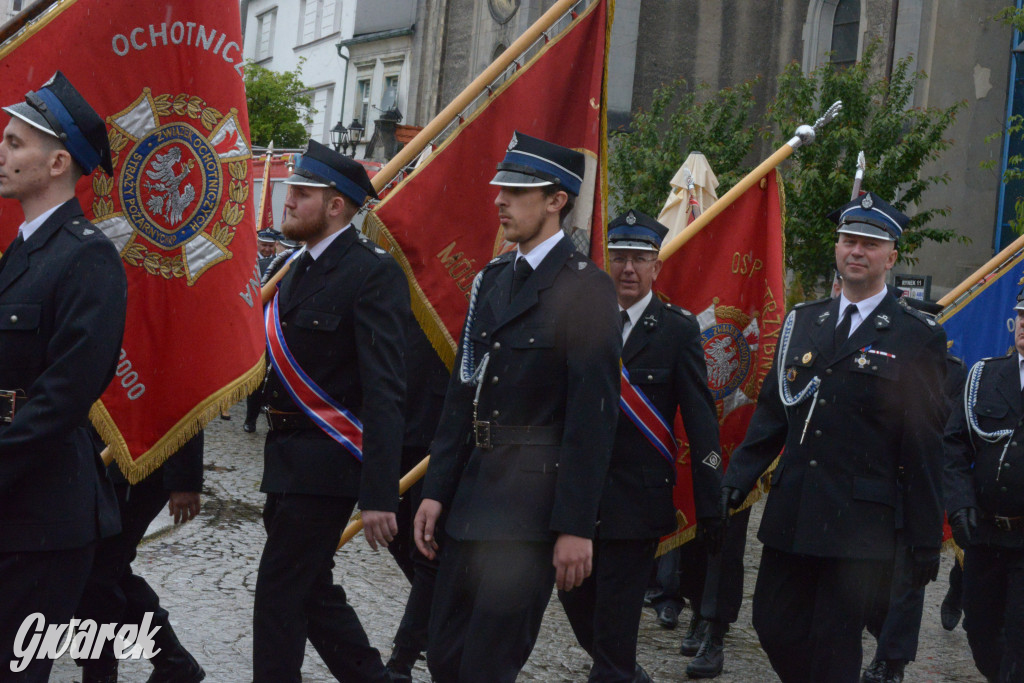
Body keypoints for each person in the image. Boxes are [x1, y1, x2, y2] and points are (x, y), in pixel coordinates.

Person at [414, 131, 621, 683]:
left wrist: (576, 527)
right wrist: (436, 490)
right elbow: (463, 396)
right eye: (500, 188)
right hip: (471, 495)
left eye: (518, 190)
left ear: (557, 201)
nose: (501, 200)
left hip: (531, 506)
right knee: (444, 656)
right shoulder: (493, 279)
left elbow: (592, 421)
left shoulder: (587, 290)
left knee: (487, 664)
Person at [720, 192, 947, 683]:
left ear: (892, 256)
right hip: (794, 509)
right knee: (772, 623)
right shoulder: (804, 321)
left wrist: (925, 536)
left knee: (832, 641)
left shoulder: (915, 336)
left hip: (859, 525)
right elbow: (773, 410)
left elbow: (925, 445)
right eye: (848, 240)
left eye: (870, 243)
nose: (856, 251)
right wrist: (738, 478)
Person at [253, 139, 408, 682]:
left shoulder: (371, 273)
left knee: (278, 590)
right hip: (286, 459)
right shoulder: (298, 266)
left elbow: (386, 390)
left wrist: (379, 492)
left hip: (330, 460)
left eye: (300, 193)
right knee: (311, 588)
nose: (287, 202)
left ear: (336, 205)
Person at [556, 209, 723, 682]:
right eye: (619, 257)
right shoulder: (581, 320)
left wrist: (712, 501)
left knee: (614, 628)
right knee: (578, 606)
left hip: (637, 504)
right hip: (578, 501)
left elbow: (702, 423)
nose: (628, 268)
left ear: (657, 268)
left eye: (640, 259)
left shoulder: (676, 330)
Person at [0, 71, 126, 681]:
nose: (2, 152)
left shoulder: (87, 256)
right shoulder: (22, 250)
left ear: (56, 163)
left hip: (45, 512)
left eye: (15, 143)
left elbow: (64, 393)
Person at [76, 432, 206, 683]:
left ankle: (102, 672)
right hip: (99, 458)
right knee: (103, 571)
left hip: (140, 462)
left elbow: (186, 402)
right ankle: (172, 662)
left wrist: (185, 479)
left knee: (97, 575)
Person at [943, 287, 1024, 683]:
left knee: (1020, 641)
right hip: (987, 534)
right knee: (981, 631)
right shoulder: (985, 375)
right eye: (1023, 316)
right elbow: (954, 444)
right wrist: (959, 503)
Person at [384, 321, 450, 682]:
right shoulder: (394, 272)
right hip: (398, 420)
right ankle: (443, 614)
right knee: (395, 537)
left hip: (438, 429)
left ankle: (402, 658)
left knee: (426, 549)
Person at [244, 229, 283, 433]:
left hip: (277, 327)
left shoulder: (280, 265)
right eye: (263, 245)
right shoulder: (250, 262)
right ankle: (250, 418)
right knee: (258, 374)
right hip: (258, 325)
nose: (267, 249)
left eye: (271, 246)